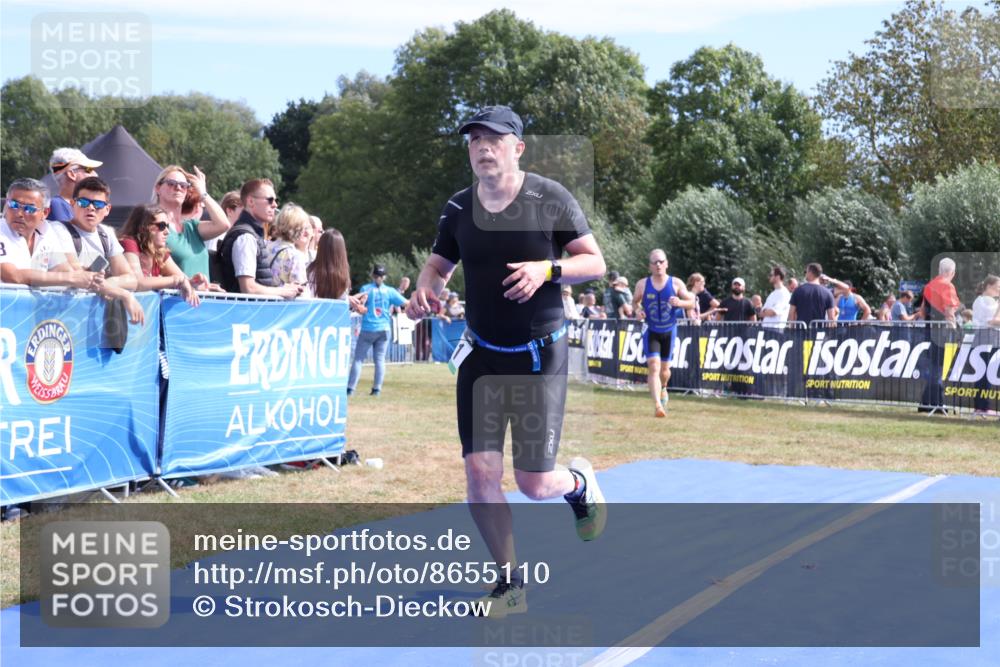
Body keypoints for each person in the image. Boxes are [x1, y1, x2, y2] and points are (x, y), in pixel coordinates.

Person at [405, 105, 607, 617]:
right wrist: (426, 289)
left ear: (517, 148)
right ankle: (509, 583)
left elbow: (595, 262)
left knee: (534, 484)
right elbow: (436, 267)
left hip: (539, 355)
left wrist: (547, 269)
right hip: (482, 356)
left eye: (493, 139)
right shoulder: (457, 208)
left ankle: (579, 484)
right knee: (479, 474)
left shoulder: (550, 197)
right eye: (474, 140)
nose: (482, 147)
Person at [50, 176, 145, 324]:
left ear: (107, 209)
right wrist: (124, 294)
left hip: (91, 320)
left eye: (98, 204)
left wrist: (110, 284)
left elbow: (131, 279)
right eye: (84, 202)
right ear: (72, 204)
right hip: (61, 315)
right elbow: (79, 276)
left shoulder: (106, 234)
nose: (91, 208)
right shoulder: (59, 230)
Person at [0, 178, 101, 289]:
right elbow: (12, 276)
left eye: (29, 209)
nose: (19, 213)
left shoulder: (47, 231)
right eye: (14, 205)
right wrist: (73, 278)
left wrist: (86, 276)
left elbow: (62, 270)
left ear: (45, 213)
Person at [631, 249, 696, 417]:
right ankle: (658, 406)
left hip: (669, 330)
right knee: (653, 366)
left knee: (664, 371)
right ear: (650, 266)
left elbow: (691, 302)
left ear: (666, 264)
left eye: (661, 261)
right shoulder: (642, 284)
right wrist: (638, 311)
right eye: (655, 262)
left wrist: (680, 302)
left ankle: (664, 387)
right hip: (651, 330)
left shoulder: (676, 283)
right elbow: (635, 302)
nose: (658, 265)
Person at [217, 178, 301, 299]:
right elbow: (248, 288)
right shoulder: (245, 237)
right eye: (270, 200)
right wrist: (282, 291)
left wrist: (283, 289)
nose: (275, 205)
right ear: (251, 201)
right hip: (244, 315)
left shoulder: (252, 235)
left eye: (276, 200)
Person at [151, 165, 233, 279]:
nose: (178, 188)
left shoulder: (191, 227)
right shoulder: (153, 225)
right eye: (171, 183)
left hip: (203, 295)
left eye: (184, 185)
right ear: (157, 188)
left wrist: (203, 193)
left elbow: (224, 224)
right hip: (175, 295)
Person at [118, 205, 200, 306]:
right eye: (161, 226)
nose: (167, 232)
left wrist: (195, 283)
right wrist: (176, 280)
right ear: (144, 227)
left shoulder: (160, 252)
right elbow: (138, 283)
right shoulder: (128, 243)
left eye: (167, 226)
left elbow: (182, 278)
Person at [347, 264, 407, 396]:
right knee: (379, 360)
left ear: (372, 275)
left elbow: (359, 305)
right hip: (384, 329)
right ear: (384, 277)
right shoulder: (390, 291)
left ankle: (350, 389)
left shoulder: (366, 289)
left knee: (358, 359)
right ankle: (376, 390)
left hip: (369, 328)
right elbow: (405, 303)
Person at [265, 203, 313, 295]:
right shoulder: (295, 255)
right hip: (283, 307)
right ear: (298, 229)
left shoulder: (265, 247)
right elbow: (302, 293)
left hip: (261, 303)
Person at [47, 147, 102, 223]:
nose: (95, 174)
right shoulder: (57, 205)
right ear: (71, 174)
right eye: (89, 169)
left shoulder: (80, 206)